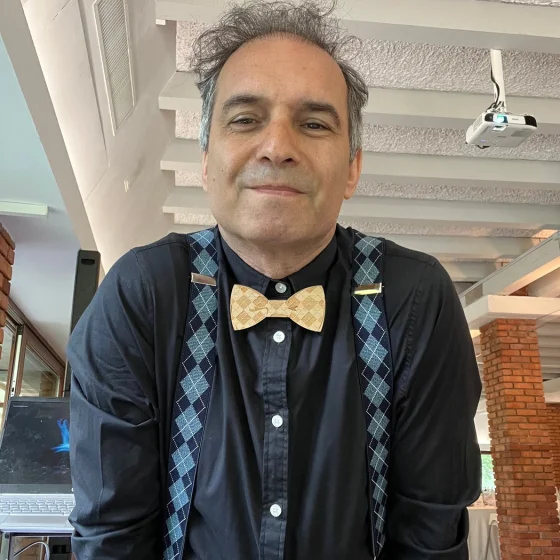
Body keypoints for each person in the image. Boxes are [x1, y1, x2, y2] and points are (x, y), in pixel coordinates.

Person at [67, 1, 482, 559]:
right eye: (245, 119)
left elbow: (429, 540)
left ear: (353, 167)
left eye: (313, 124)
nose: (278, 147)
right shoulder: (142, 295)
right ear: (206, 159)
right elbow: (112, 538)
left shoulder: (415, 300)